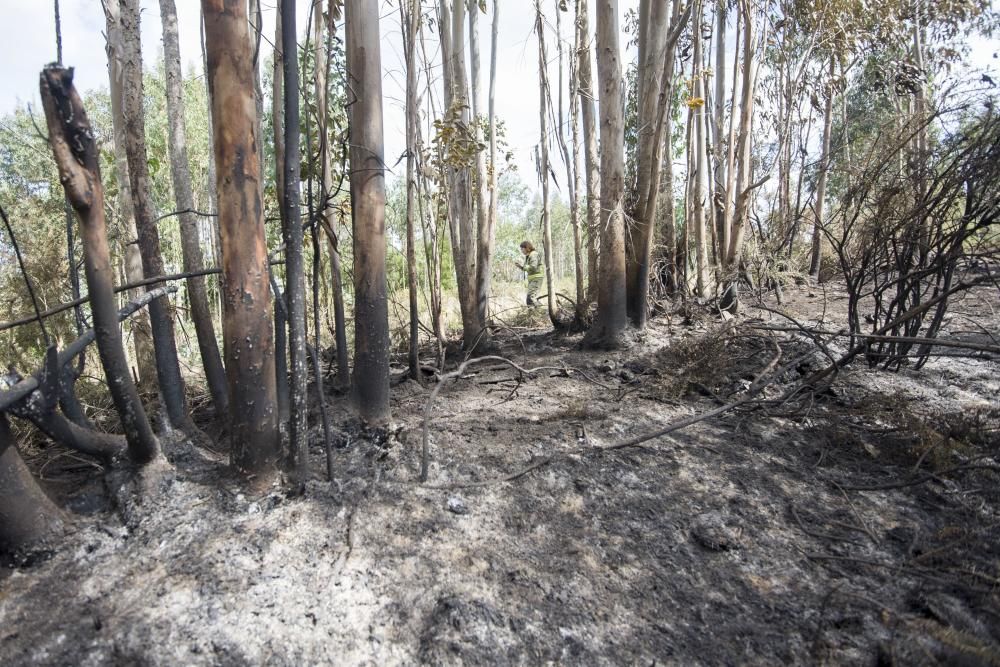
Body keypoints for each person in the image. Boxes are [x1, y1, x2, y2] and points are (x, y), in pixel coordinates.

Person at [516, 241, 544, 306]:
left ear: (527, 248)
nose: (521, 251)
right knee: (530, 297)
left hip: (536, 278)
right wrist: (520, 266)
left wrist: (523, 266)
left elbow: (533, 267)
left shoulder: (533, 254)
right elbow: (527, 268)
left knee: (531, 297)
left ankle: (539, 310)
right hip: (532, 278)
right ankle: (534, 311)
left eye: (522, 249)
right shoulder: (528, 256)